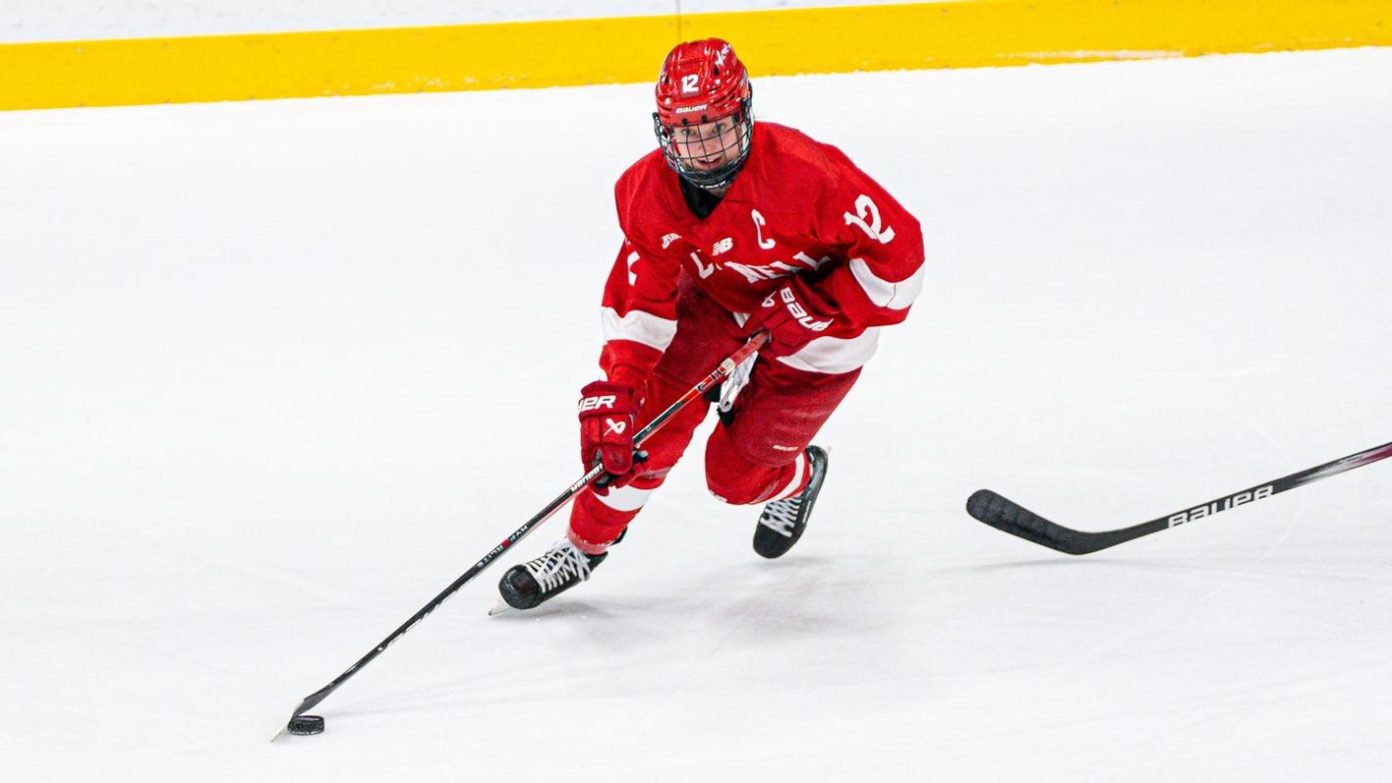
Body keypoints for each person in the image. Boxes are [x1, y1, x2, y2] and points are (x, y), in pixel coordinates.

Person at [498, 38, 924, 610]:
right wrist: (622, 387)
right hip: (715, 306)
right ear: (662, 130)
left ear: (744, 112)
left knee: (734, 480)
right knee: (638, 433)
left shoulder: (810, 173)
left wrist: (817, 303)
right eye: (684, 130)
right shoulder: (645, 190)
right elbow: (641, 296)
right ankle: (583, 546)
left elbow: (902, 263)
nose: (700, 147)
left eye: (715, 126)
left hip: (820, 340)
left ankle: (798, 477)